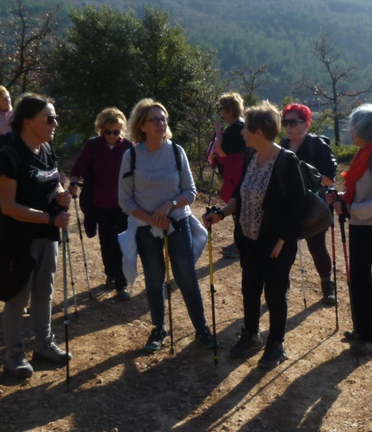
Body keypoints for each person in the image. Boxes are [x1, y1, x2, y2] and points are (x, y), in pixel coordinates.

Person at [205, 101, 308, 369]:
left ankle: (276, 343)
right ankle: (251, 335)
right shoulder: (251, 157)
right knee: (249, 289)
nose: (241, 132)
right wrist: (222, 214)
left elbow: (298, 206)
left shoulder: (286, 161)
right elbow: (240, 194)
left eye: (245, 129)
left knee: (275, 293)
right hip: (249, 239)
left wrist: (283, 240)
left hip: (276, 244)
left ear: (259, 132)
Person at [118, 99, 217, 352]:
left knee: (186, 275)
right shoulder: (131, 156)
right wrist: (151, 218)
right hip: (144, 227)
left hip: (178, 222)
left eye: (164, 119)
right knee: (153, 278)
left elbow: (190, 191)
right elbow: (124, 199)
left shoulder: (176, 151)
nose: (161, 124)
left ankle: (201, 328)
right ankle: (159, 328)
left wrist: (169, 205)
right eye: (155, 120)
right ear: (142, 125)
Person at [0, 93, 73, 378]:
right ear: (27, 121)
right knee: (17, 295)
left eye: (55, 118)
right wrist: (50, 217)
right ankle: (14, 355)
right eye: (49, 118)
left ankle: (43, 345)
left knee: (44, 291)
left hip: (46, 234)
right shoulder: (9, 153)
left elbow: (55, 181)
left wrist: (61, 197)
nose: (55, 124)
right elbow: (8, 206)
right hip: (17, 238)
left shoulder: (45, 148)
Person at [326, 104, 372, 355]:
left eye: (353, 126)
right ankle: (365, 329)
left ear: (363, 129)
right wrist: (341, 197)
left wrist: (350, 208)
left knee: (361, 280)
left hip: (370, 228)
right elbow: (364, 192)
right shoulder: (366, 153)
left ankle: (369, 336)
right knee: (358, 279)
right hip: (361, 225)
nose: (350, 130)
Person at [68, 107, 134, 301]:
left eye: (116, 131)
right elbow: (78, 166)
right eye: (108, 131)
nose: (112, 136)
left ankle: (121, 285)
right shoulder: (93, 146)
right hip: (100, 203)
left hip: (123, 204)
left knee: (122, 241)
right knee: (106, 240)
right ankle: (110, 274)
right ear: (101, 129)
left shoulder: (130, 147)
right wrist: (72, 182)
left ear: (121, 129)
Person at [279, 103, 339, 306]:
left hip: (314, 206)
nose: (288, 127)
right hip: (288, 206)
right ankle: (281, 287)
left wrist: (304, 176)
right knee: (285, 248)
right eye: (285, 122)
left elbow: (329, 179)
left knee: (317, 247)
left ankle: (327, 285)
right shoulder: (282, 145)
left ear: (306, 124)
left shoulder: (318, 146)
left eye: (293, 122)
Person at [213, 92, 246, 258]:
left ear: (230, 110)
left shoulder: (236, 128)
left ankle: (240, 245)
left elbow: (223, 152)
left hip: (237, 173)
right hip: (238, 172)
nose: (220, 112)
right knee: (237, 208)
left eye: (222, 108)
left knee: (237, 207)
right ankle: (238, 243)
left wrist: (218, 131)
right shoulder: (239, 126)